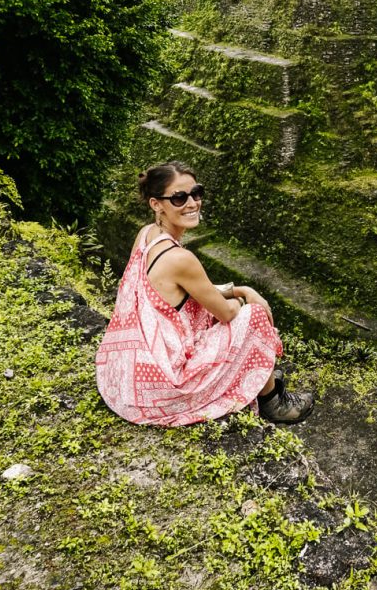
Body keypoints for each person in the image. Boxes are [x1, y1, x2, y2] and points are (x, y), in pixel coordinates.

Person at [96, 160, 314, 427]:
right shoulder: (180, 259)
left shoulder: (146, 235)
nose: (191, 203)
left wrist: (239, 288)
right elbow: (226, 312)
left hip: (129, 378)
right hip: (165, 388)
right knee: (254, 315)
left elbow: (193, 292)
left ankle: (257, 374)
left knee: (224, 310)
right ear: (156, 204)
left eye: (196, 193)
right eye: (179, 197)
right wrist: (244, 298)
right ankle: (272, 402)